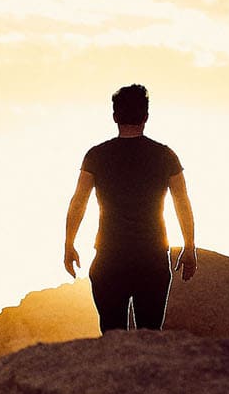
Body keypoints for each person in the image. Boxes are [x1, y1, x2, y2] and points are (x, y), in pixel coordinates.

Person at [63, 84, 196, 333]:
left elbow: (78, 201)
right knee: (150, 338)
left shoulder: (96, 155)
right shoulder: (166, 156)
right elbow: (182, 202)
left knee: (113, 339)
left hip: (110, 257)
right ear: (146, 117)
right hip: (152, 258)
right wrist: (189, 246)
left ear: (115, 117)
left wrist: (69, 244)